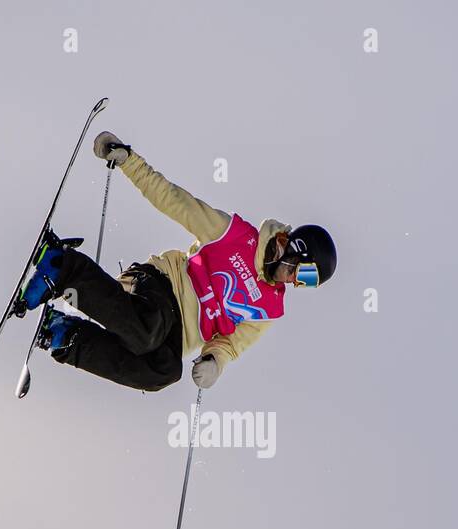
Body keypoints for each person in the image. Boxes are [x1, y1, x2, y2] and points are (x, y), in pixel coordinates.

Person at [20, 131, 337, 392]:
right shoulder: (236, 237)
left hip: (176, 333)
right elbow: (173, 200)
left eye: (304, 282)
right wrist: (130, 162)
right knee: (148, 330)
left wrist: (214, 362)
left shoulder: (269, 308)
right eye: (302, 273)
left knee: (162, 373)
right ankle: (62, 266)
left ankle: (64, 335)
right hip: (161, 284)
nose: (292, 282)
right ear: (293, 249)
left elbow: (230, 344)